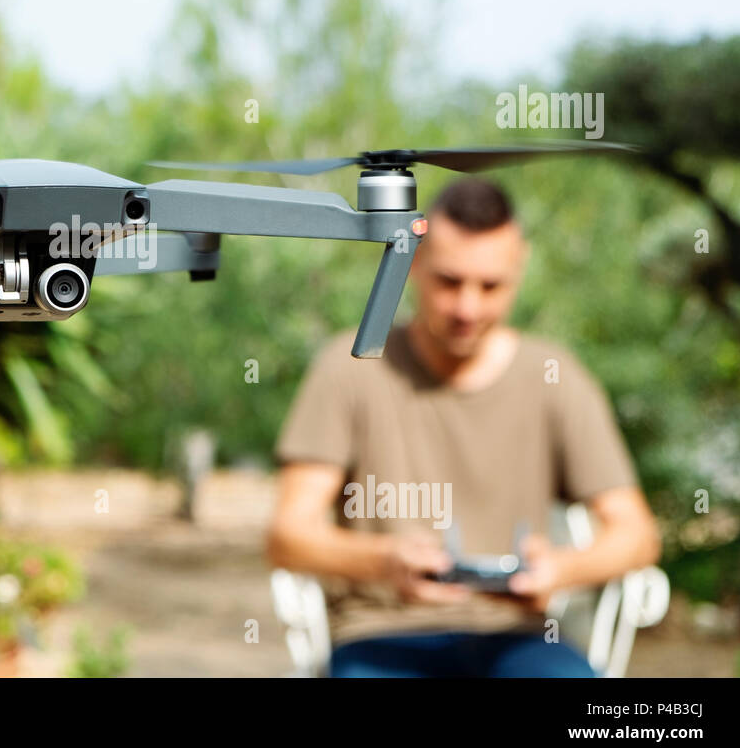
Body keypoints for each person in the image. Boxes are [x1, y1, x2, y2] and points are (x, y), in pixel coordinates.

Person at [266, 176, 660, 677]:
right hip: (381, 636)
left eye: (490, 286)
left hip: (521, 639)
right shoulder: (350, 367)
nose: (468, 308)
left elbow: (637, 534)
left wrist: (561, 570)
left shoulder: (554, 374)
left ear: (520, 269)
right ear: (411, 265)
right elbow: (287, 536)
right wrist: (384, 562)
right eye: (449, 282)